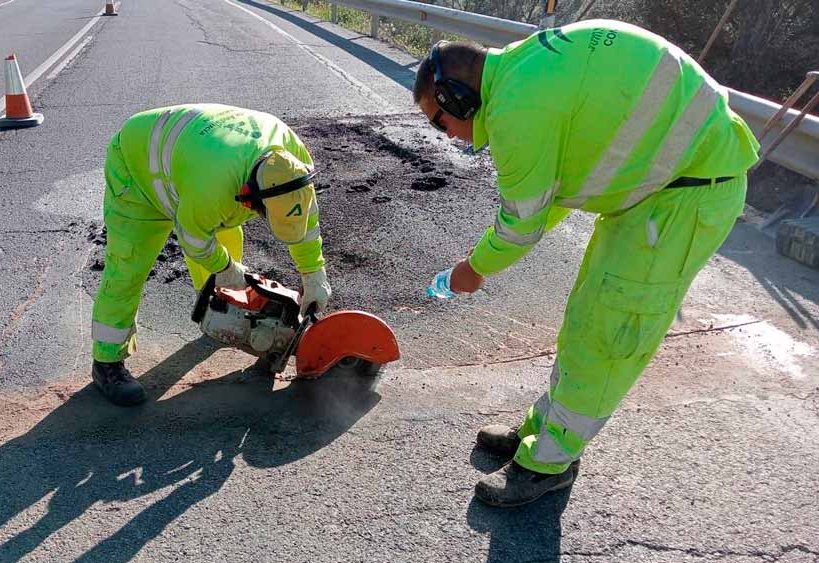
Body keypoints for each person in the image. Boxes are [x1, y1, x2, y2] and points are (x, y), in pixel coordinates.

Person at [412, 21, 759, 506]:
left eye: (439, 122)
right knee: (586, 320)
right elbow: (554, 193)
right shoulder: (521, 70)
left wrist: (473, 269)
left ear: (457, 100)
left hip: (686, 194)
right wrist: (484, 260)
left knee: (608, 332)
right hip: (655, 189)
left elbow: (521, 223)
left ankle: (548, 463)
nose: (447, 136)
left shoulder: (517, 108)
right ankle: (545, 432)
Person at [90, 104, 331, 406]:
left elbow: (306, 223)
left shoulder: (295, 162)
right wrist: (226, 268)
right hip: (138, 167)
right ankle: (107, 363)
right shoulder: (212, 187)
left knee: (227, 244)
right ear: (248, 197)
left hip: (197, 164)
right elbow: (193, 239)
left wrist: (313, 273)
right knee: (129, 263)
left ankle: (217, 313)